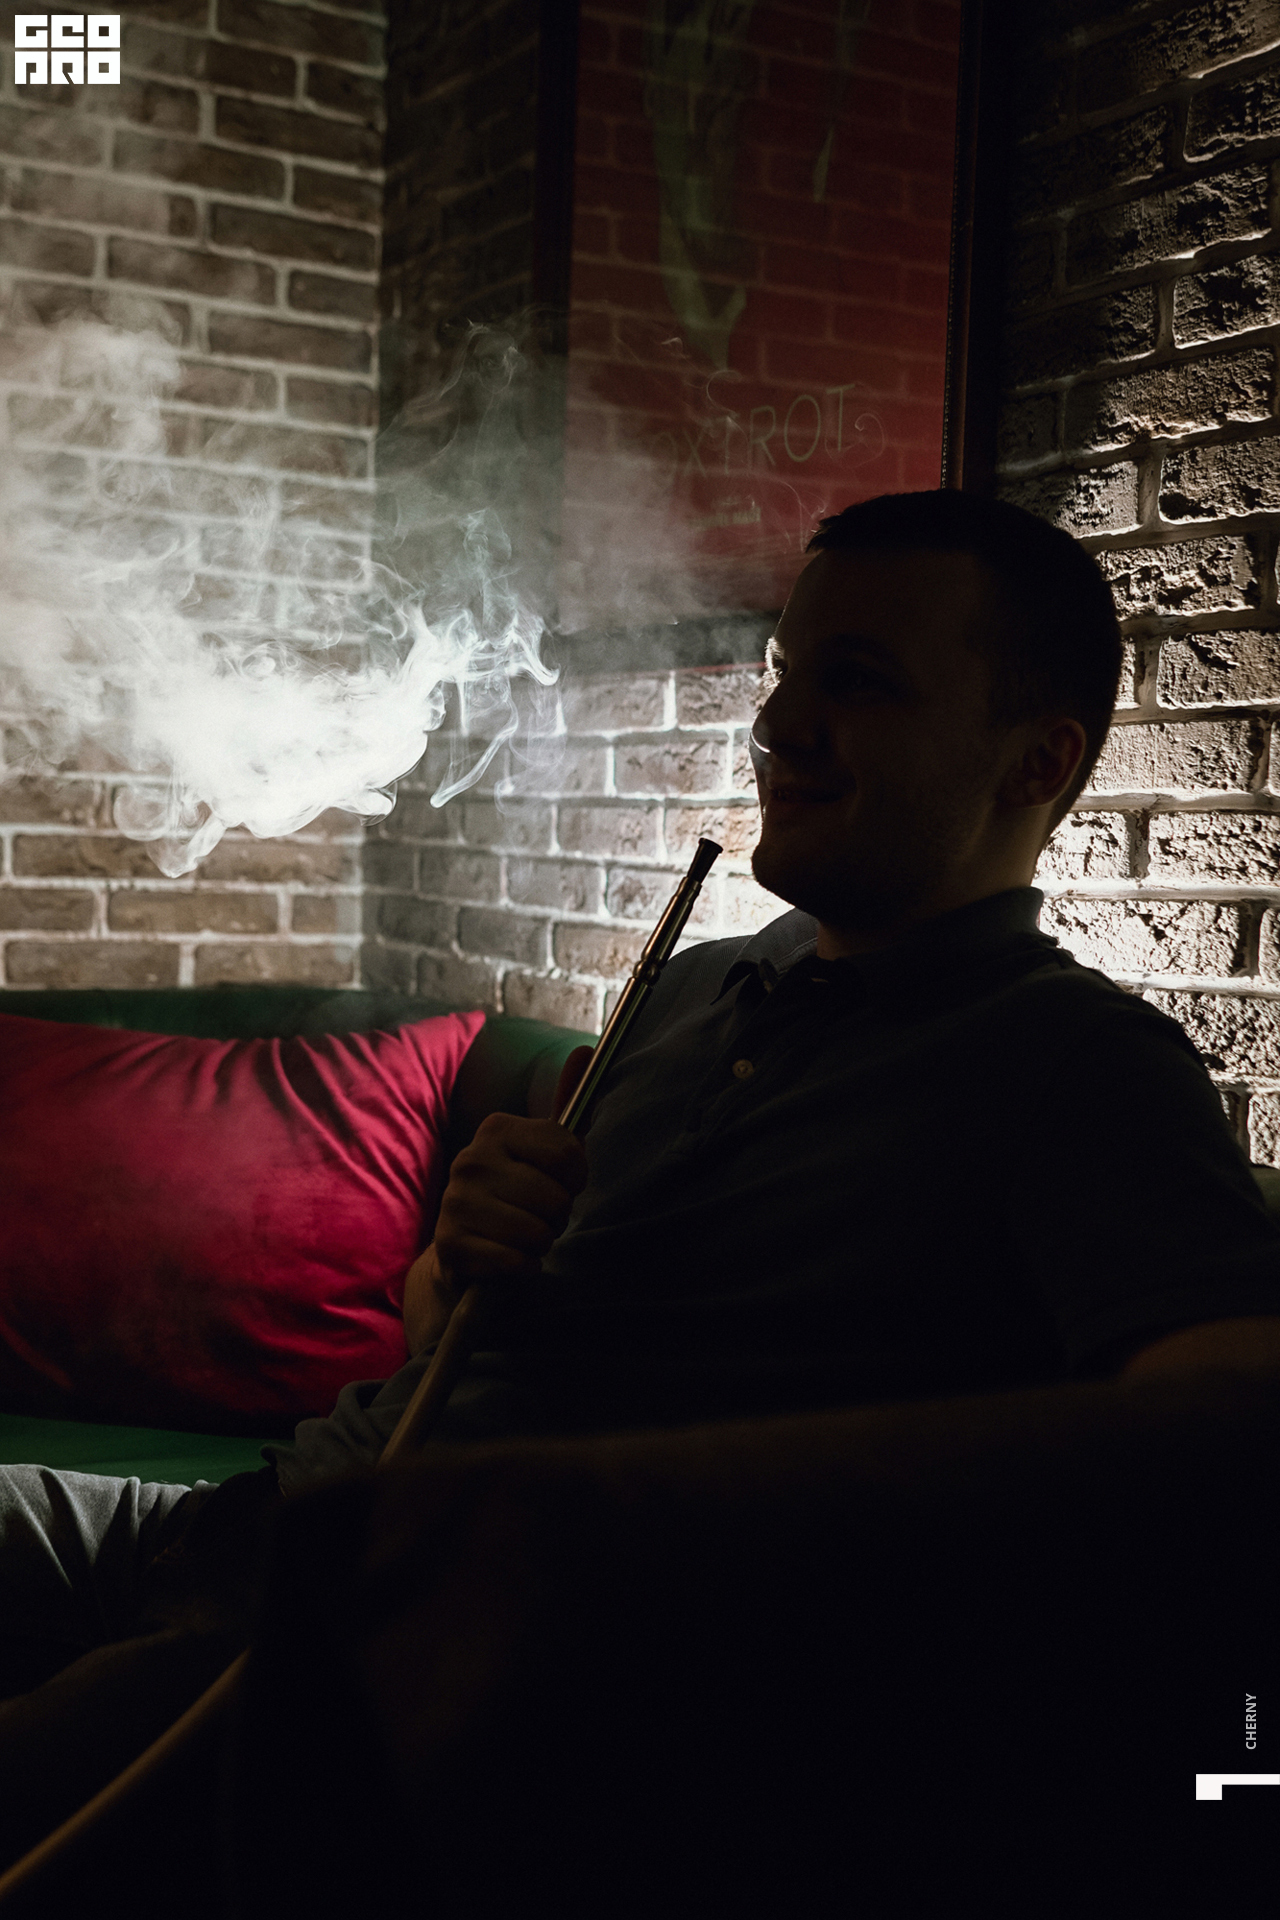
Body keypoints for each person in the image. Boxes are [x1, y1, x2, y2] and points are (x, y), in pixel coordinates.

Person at [3, 489, 1280, 1863]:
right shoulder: (687, 986)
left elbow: (1228, 1447)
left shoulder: (1075, 1060)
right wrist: (458, 1257)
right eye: (788, 672)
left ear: (1037, 761)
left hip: (400, 1645)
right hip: (254, 1518)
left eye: (857, 682)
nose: (780, 725)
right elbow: (447, 1337)